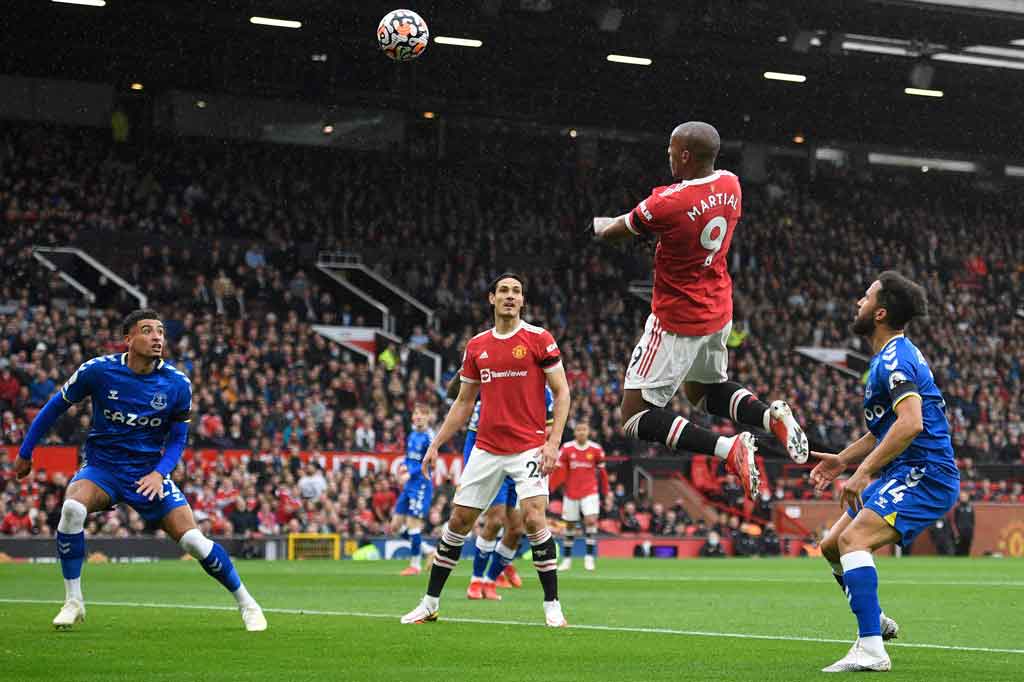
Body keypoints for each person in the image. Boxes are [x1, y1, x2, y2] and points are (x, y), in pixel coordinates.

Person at [594, 121, 808, 501]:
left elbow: (617, 232)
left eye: (672, 151)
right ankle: (768, 417)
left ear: (686, 155)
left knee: (634, 415)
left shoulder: (667, 203)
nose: (669, 156)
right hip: (717, 306)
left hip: (677, 317)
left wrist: (598, 225)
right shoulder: (731, 184)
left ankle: (728, 449)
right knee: (704, 391)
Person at [14, 309, 267, 631]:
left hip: (148, 473)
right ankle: (73, 601)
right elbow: (54, 408)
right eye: (147, 331)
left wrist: (159, 473)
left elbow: (178, 439)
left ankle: (248, 604)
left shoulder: (177, 383)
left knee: (193, 542)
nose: (157, 337)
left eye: (160, 331)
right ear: (128, 339)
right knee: (72, 508)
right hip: (103, 470)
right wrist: (25, 451)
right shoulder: (98, 371)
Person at [400, 273, 571, 627]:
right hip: (487, 448)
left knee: (535, 518)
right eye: (504, 291)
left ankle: (552, 605)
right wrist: (435, 444)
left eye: (517, 292)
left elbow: (563, 391)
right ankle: (430, 602)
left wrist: (553, 444)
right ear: (491, 298)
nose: (510, 296)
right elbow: (464, 402)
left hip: (528, 448)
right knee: (458, 521)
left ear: (523, 301)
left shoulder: (539, 339)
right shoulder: (477, 346)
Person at [810, 272, 959, 672]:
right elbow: (887, 428)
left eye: (866, 296)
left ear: (879, 312)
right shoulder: (887, 358)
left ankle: (872, 649)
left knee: (855, 539)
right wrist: (843, 460)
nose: (858, 301)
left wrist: (862, 474)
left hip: (926, 472)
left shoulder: (895, 359)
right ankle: (872, 619)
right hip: (904, 470)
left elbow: (910, 424)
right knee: (830, 545)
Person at [449, 376, 555, 600]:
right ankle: (475, 581)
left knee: (517, 529)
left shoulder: (543, 391)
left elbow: (549, 428)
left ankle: (490, 580)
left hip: (522, 459)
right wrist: (463, 372)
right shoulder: (493, 379)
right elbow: (454, 395)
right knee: (495, 520)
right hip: (491, 458)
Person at [552, 422, 609, 571]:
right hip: (571, 492)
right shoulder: (566, 448)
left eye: (584, 429)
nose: (581, 432)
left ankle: (589, 557)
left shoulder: (596, 449)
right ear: (575, 432)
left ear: (588, 431)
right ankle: (567, 559)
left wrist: (606, 492)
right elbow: (559, 471)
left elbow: (602, 473)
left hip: (590, 491)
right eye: (579, 430)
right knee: (570, 525)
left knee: (590, 521)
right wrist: (552, 488)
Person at [389, 403, 435, 575]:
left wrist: (412, 473)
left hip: (421, 484)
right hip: (409, 485)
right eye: (416, 413)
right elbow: (409, 458)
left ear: (428, 416)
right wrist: (403, 467)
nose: (418, 416)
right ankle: (429, 550)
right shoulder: (412, 434)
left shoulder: (430, 437)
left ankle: (415, 565)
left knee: (412, 525)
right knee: (395, 526)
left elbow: (429, 462)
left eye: (422, 414)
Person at [952, 491, 975, 556]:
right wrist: (957, 530)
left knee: (967, 547)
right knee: (959, 547)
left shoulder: (970, 508)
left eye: (964, 497)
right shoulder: (958, 508)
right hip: (960, 531)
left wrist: (971, 529)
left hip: (968, 531)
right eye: (962, 497)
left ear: (967, 497)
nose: (963, 498)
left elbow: (973, 520)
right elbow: (955, 520)